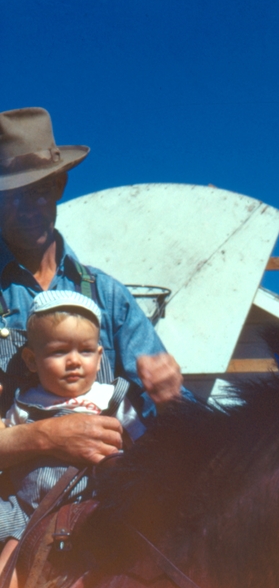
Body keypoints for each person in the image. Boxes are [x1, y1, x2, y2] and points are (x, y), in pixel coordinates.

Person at [0, 106, 183, 473]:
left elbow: (162, 416)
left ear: (59, 186)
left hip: (106, 503)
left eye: (38, 191)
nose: (28, 208)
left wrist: (171, 398)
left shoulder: (109, 297)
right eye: (13, 195)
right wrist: (45, 436)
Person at [0, 290, 148, 588]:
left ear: (99, 357)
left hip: (92, 513)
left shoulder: (112, 401)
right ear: (31, 360)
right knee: (5, 579)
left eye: (85, 351)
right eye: (58, 352)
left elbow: (143, 451)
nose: (74, 362)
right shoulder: (25, 405)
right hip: (29, 516)